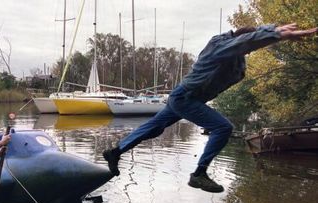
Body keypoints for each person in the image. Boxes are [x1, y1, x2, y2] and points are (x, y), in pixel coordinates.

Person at [103, 23, 317, 193]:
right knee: (223, 128)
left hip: (187, 98)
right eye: (248, 48)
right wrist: (275, 33)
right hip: (186, 97)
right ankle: (199, 174)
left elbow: (248, 40)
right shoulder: (220, 45)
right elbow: (243, 42)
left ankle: (115, 152)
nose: (248, 53)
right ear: (240, 41)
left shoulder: (235, 53)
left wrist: (271, 30)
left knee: (153, 128)